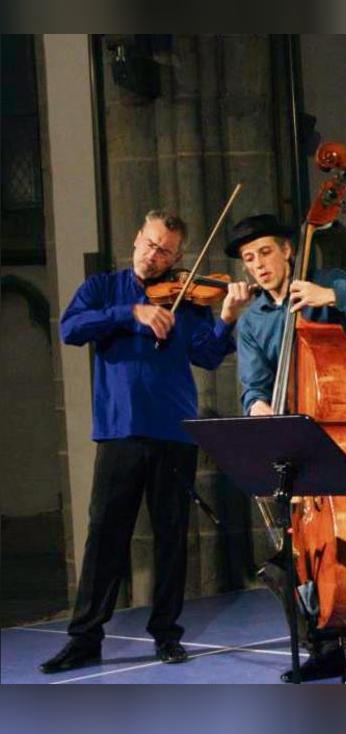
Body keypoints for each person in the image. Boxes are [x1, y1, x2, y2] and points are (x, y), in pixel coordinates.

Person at [40, 210, 252, 674]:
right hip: (120, 431)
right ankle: (84, 639)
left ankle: (166, 635)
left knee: (171, 537)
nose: (153, 256)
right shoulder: (103, 290)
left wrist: (227, 319)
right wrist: (130, 313)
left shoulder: (189, 301)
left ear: (178, 257)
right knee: (105, 538)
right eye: (150, 244)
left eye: (165, 252)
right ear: (137, 237)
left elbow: (209, 356)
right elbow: (70, 329)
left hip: (175, 432)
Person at [226, 213, 346, 683]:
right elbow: (253, 388)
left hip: (339, 437)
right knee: (290, 556)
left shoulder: (325, 285)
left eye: (264, 252)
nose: (258, 265)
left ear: (287, 249)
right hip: (291, 444)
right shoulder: (253, 321)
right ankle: (321, 646)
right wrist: (258, 408)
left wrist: (334, 297)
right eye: (248, 259)